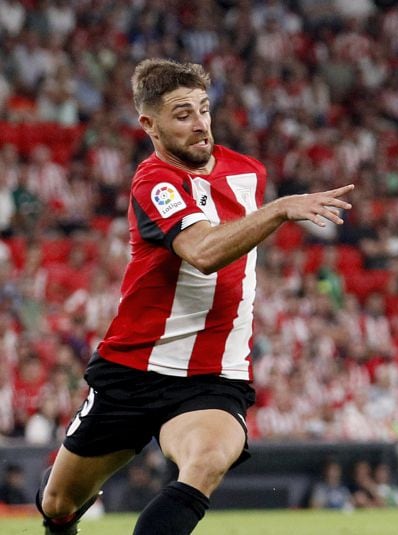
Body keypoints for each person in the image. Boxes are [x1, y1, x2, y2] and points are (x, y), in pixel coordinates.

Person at [36, 58, 355, 535]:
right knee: (59, 503)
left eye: (204, 109)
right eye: (183, 114)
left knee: (204, 464)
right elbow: (203, 253)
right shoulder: (153, 182)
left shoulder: (248, 173)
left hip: (213, 375)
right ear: (150, 125)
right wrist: (279, 211)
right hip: (135, 369)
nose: (200, 123)